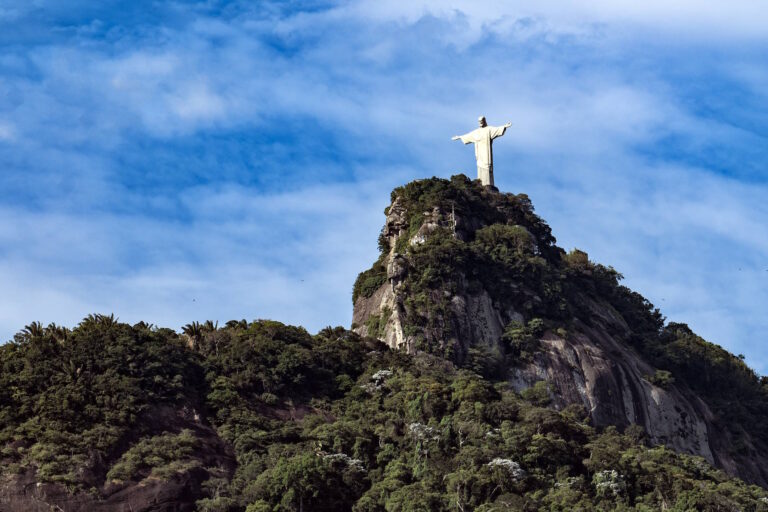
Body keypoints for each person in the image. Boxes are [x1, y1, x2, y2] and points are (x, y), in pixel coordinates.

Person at [452, 116, 512, 186]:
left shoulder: (489, 129)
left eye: (481, 121)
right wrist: (459, 137)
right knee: (480, 165)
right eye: (479, 121)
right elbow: (468, 135)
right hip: (479, 154)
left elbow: (497, 129)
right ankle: (480, 183)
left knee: (487, 166)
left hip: (486, 153)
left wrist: (505, 126)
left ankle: (488, 184)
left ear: (484, 121)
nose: (480, 122)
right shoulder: (476, 132)